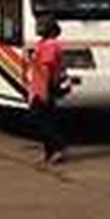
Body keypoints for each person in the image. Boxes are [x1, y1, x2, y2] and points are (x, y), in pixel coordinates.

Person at [28, 16, 68, 165]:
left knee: (38, 118)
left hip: (45, 86)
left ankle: (58, 147)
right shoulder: (43, 43)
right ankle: (49, 152)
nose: (38, 28)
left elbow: (46, 69)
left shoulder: (50, 45)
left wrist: (43, 91)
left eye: (41, 26)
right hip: (40, 86)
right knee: (47, 118)